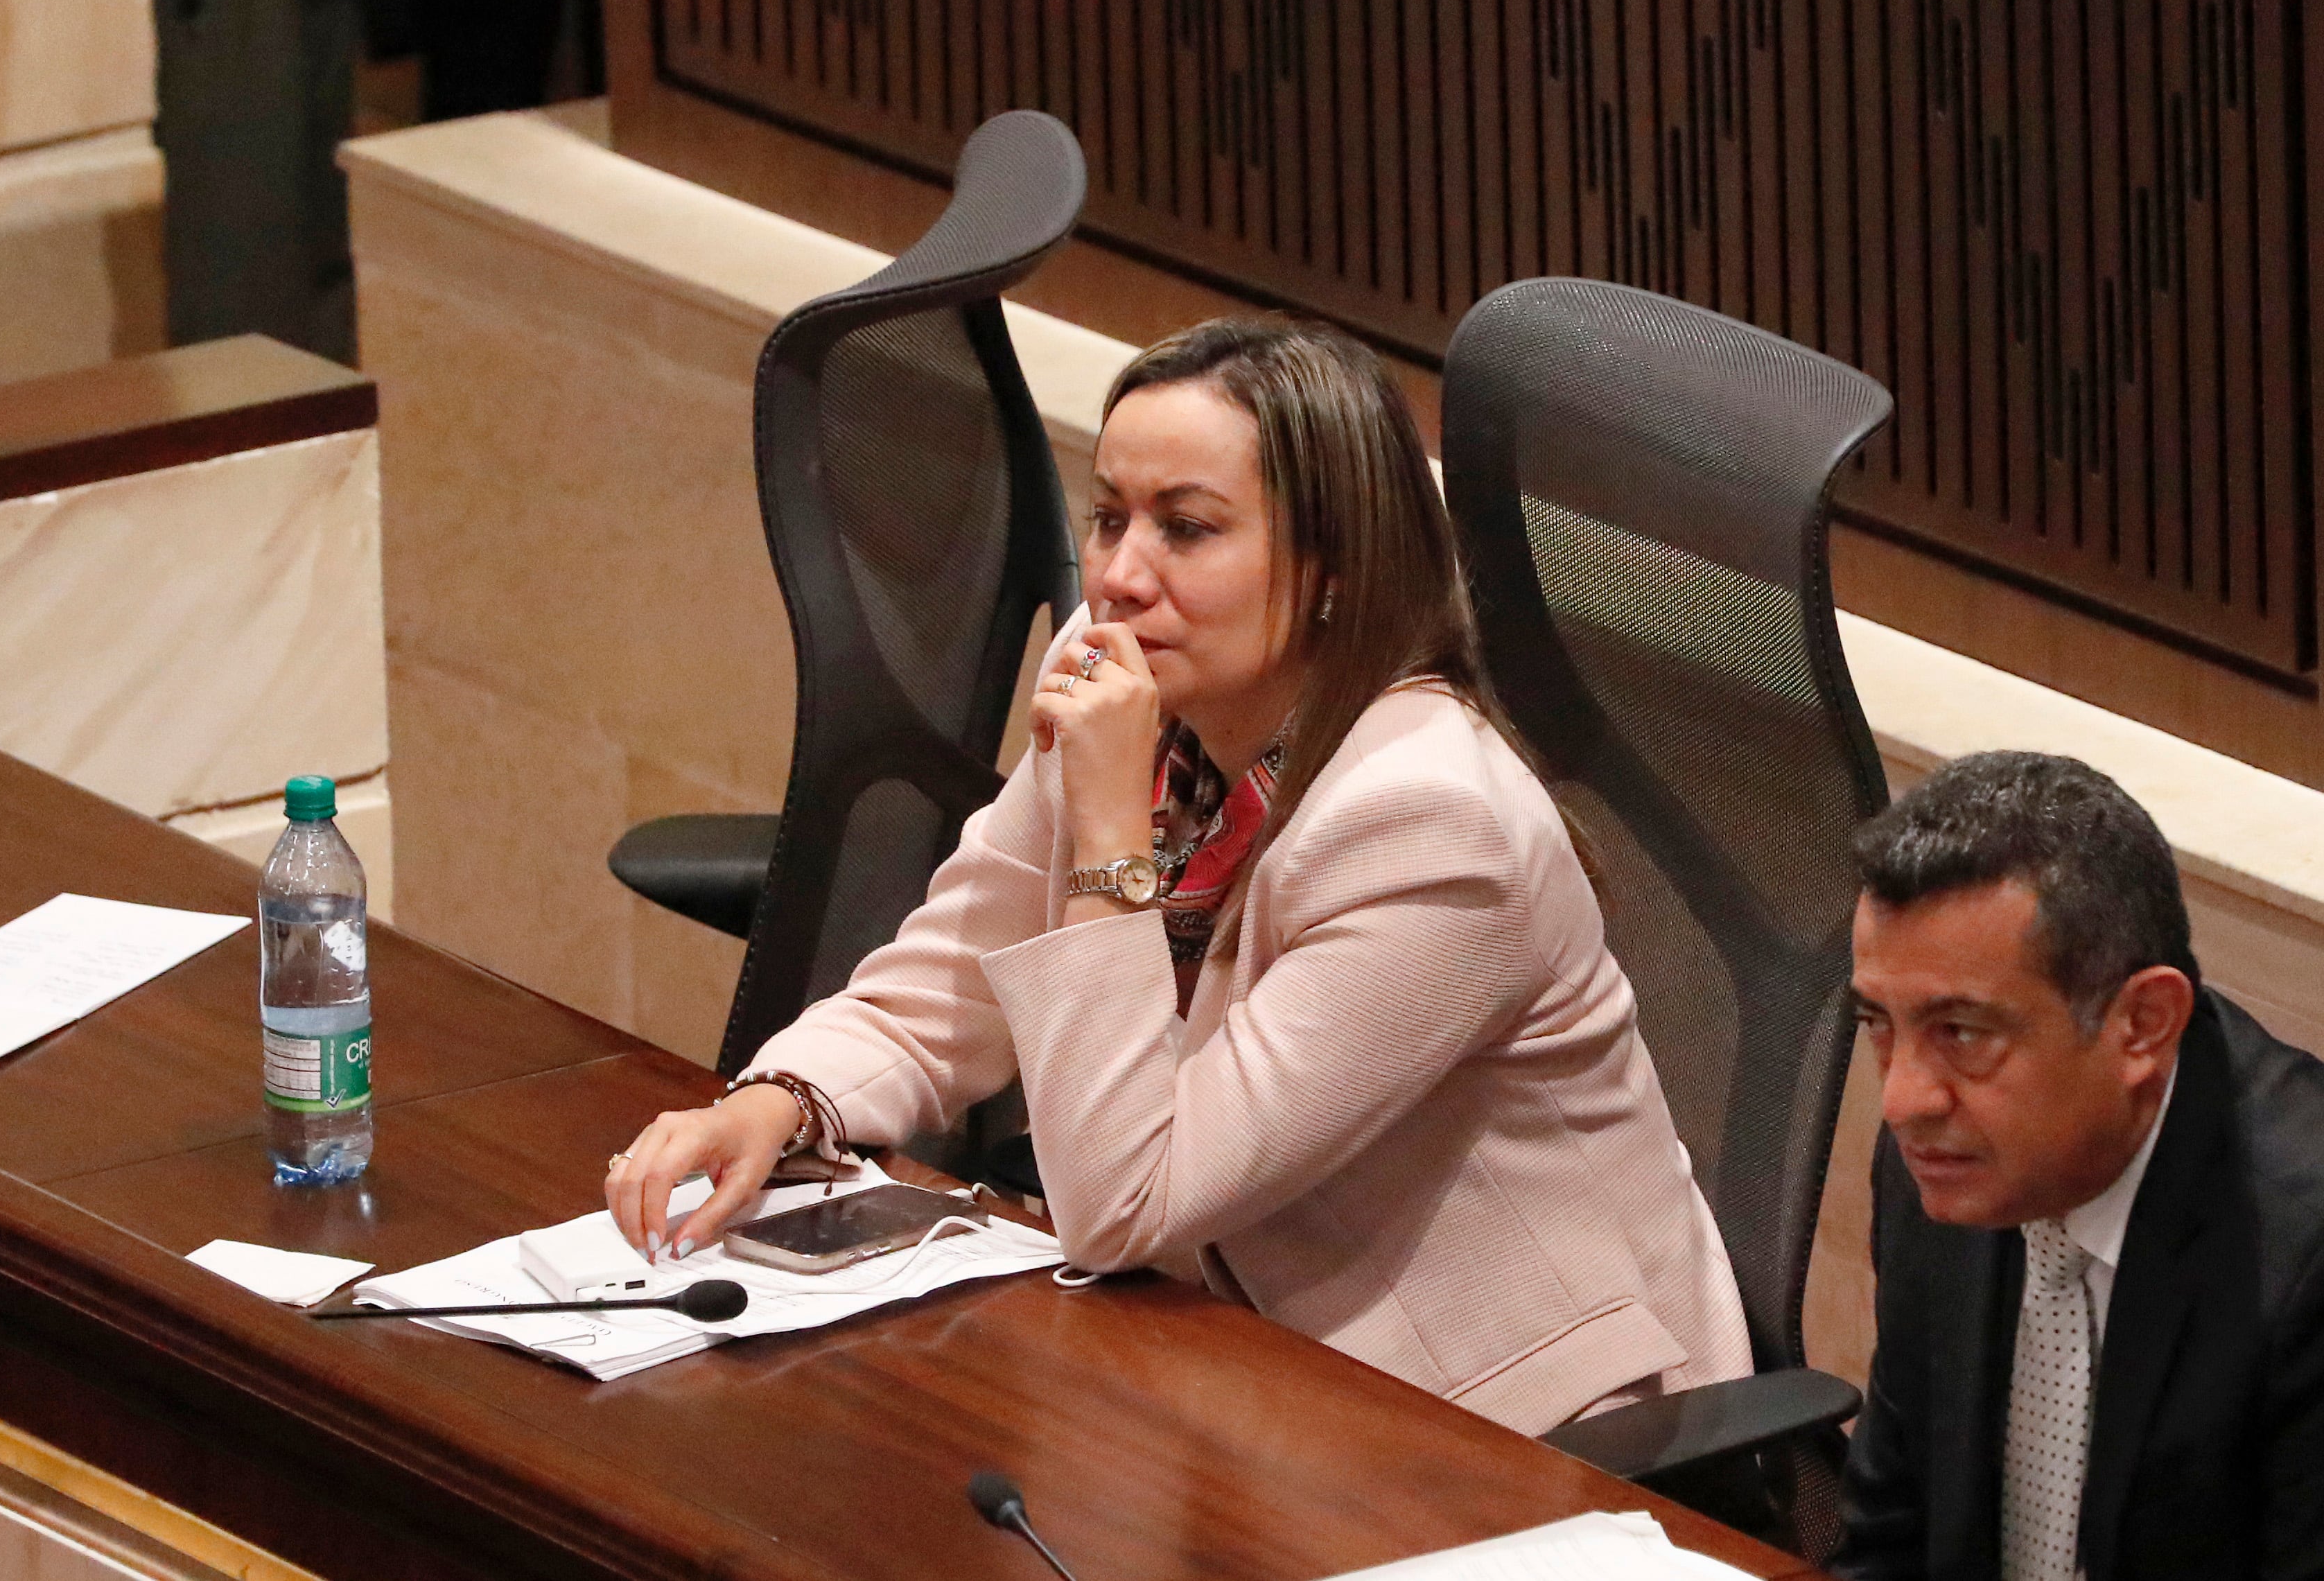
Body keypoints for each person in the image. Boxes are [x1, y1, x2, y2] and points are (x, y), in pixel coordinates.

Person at [605, 317, 1751, 1433]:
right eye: (1108, 518)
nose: (1117, 576)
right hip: (1238, 1356)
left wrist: (1107, 835)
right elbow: (950, 983)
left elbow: (1121, 1199)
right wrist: (785, 1093)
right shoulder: (1129, 695)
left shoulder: (1431, 824)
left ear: (1337, 569)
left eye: (1187, 529)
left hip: (1512, 1423)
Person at [1835, 752, 2324, 1580]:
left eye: (1960, 1031)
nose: (1904, 1099)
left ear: (2141, 1024)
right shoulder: (1939, 1159)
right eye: (1879, 1022)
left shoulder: (2303, 1249)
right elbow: (1888, 1537)